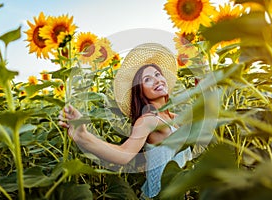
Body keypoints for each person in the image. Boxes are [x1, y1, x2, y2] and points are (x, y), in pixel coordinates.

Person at [58, 43, 192, 199]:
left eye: (157, 74)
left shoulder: (175, 118)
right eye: (147, 79)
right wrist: (83, 136)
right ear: (140, 91)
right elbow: (123, 154)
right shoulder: (149, 120)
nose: (157, 80)